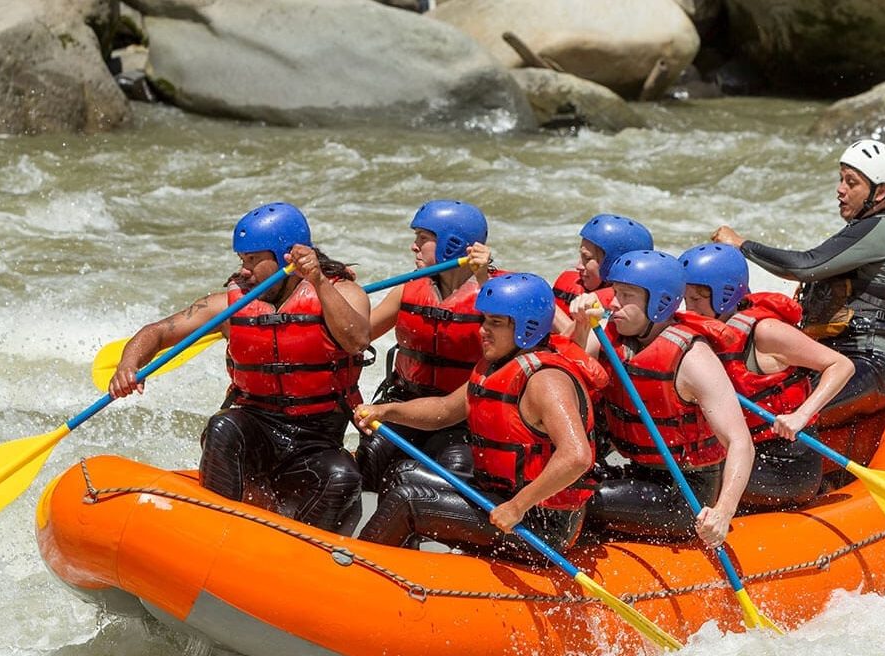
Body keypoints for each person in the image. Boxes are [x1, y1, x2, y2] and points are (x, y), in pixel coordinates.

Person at [108, 202, 371, 534]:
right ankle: (211, 534)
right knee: (223, 427)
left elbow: (357, 339)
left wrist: (317, 280)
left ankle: (301, 563)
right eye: (241, 260)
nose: (244, 271)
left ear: (287, 257)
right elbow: (157, 332)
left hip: (316, 438)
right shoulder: (231, 306)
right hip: (255, 430)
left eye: (252, 260)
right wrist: (128, 365)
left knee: (344, 477)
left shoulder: (342, 292)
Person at [354, 273, 608, 564]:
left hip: (542, 521)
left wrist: (518, 506)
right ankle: (399, 568)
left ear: (529, 327)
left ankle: (359, 570)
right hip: (498, 496)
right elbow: (445, 410)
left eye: (495, 323)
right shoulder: (496, 365)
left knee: (409, 500)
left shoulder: (545, 381)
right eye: (484, 320)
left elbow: (577, 456)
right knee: (403, 473)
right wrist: (386, 412)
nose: (483, 331)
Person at [711, 139, 885, 423]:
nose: (840, 189)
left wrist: (741, 244)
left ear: (880, 192)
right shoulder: (862, 229)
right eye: (841, 179)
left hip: (867, 363)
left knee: (773, 405)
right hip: (837, 356)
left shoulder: (882, 229)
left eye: (851, 182)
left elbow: (805, 266)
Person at [569, 250, 754, 547]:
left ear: (660, 304)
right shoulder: (610, 332)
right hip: (634, 468)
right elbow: (571, 369)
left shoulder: (693, 358)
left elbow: (740, 442)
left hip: (683, 493)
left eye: (626, 296)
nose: (613, 304)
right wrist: (580, 323)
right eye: (615, 292)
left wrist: (723, 512)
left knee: (573, 502)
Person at [679, 242, 854, 509]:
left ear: (724, 295)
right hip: (740, 453)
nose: (689, 308)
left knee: (701, 479)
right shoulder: (701, 333)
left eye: (696, 299)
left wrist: (801, 416)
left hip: (786, 464)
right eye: (685, 298)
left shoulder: (765, 332)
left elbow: (841, 366)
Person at [357, 200, 495, 493]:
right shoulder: (409, 288)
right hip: (406, 404)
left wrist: (484, 276)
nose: (413, 246)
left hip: (463, 420)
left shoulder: (496, 294)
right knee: (372, 453)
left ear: (452, 244)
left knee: (454, 469)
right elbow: (356, 336)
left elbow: (537, 331)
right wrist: (326, 286)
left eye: (422, 238)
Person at [551, 214, 654, 324]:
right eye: (581, 256)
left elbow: (583, 340)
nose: (578, 266)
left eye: (587, 258)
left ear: (613, 264)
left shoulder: (624, 306)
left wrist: (548, 308)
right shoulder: (571, 280)